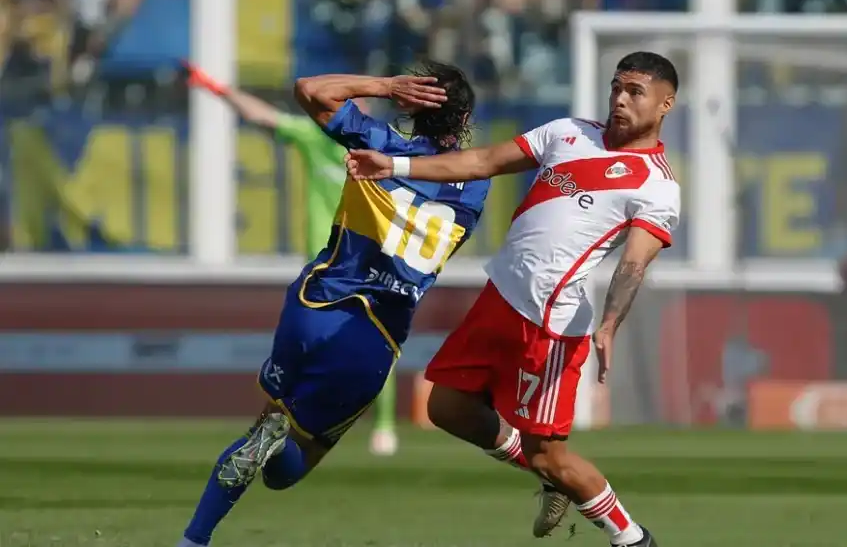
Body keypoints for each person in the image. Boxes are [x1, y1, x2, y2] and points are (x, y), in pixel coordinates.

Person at [346, 51, 681, 546]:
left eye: (636, 92)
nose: (621, 99)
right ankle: (548, 478)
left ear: (665, 104)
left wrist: (609, 324)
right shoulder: (567, 132)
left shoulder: (657, 186)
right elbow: (482, 160)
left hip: (549, 326)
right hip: (499, 298)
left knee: (552, 455)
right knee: (447, 408)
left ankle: (631, 537)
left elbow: (634, 262)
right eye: (616, 87)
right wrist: (394, 164)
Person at [176, 61, 491, 547]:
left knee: (267, 420)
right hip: (371, 337)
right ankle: (275, 449)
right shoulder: (477, 184)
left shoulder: (378, 145)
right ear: (465, 121)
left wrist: (386, 87)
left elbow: (308, 90)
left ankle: (195, 539)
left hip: (314, 304)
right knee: (288, 471)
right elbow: (467, 165)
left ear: (411, 106)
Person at [184, 63, 401, 455]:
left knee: (374, 341)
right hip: (323, 258)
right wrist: (215, 88)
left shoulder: (385, 146)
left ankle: (383, 426)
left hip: (369, 259)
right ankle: (284, 422)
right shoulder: (316, 137)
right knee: (308, 339)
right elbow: (260, 115)